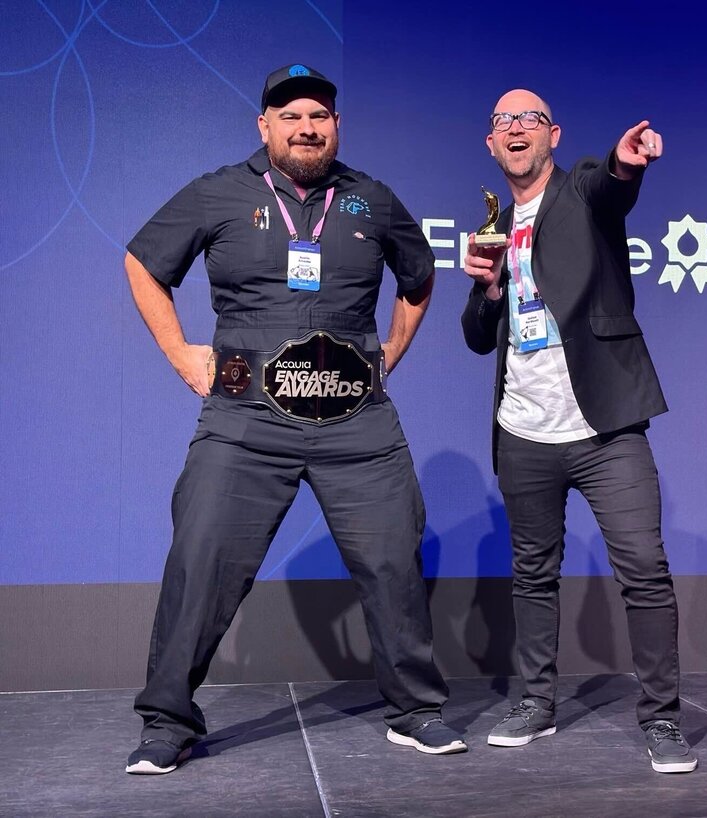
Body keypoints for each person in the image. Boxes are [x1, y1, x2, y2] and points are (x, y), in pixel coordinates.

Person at [124, 64, 465, 774]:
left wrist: (390, 354)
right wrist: (184, 355)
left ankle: (416, 710)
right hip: (247, 421)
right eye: (290, 116)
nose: (305, 128)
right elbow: (142, 262)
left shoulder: (371, 199)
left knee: (393, 561)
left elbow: (420, 275)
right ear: (264, 126)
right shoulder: (219, 193)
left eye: (318, 116)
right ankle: (167, 720)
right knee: (202, 560)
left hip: (358, 424)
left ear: (336, 125)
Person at [461, 89, 697, 774]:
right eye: (503, 120)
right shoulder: (493, 226)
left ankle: (661, 719)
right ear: (490, 142)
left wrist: (629, 168)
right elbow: (478, 338)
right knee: (533, 574)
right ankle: (536, 703)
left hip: (605, 427)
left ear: (553, 136)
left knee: (644, 570)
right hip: (524, 431)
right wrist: (489, 287)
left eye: (529, 120)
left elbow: (612, 186)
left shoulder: (583, 193)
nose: (515, 129)